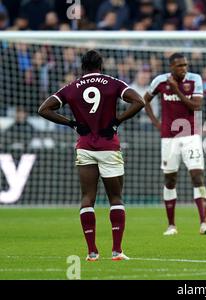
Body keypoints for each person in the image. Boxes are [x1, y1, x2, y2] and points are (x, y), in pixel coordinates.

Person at [38, 50, 145, 261]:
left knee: (87, 198)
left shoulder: (72, 87)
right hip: (109, 145)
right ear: (101, 65)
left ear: (82, 66)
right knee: (115, 198)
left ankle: (91, 251)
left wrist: (72, 124)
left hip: (85, 145)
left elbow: (43, 109)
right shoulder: (113, 83)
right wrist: (117, 121)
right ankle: (116, 250)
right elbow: (139, 101)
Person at [144, 53, 206, 236]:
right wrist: (156, 123)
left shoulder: (194, 79)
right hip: (169, 138)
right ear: (171, 67)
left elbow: (196, 106)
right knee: (170, 179)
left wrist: (176, 90)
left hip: (190, 136)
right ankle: (171, 225)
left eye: (185, 65)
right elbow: (145, 100)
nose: (184, 68)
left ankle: (204, 223)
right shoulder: (160, 81)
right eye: (180, 66)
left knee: (197, 176)